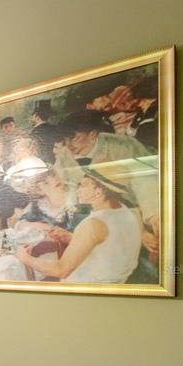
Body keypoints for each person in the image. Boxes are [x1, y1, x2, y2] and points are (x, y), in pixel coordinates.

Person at [57, 109, 159, 260]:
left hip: (145, 204)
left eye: (75, 139)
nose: (69, 146)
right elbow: (68, 188)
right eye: (66, 140)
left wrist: (154, 218)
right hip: (108, 214)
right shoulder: (65, 158)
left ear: (93, 135)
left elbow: (145, 183)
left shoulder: (124, 147)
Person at [15, 170, 141, 283]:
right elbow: (109, 247)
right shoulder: (129, 213)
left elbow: (61, 270)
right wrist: (72, 237)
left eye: (83, 184)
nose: (77, 189)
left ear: (98, 192)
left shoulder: (93, 224)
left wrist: (25, 258)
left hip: (82, 293)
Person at [29, 99, 60, 164]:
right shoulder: (55, 129)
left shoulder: (34, 133)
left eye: (32, 115)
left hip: (41, 164)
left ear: (37, 116)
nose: (31, 118)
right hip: (55, 163)